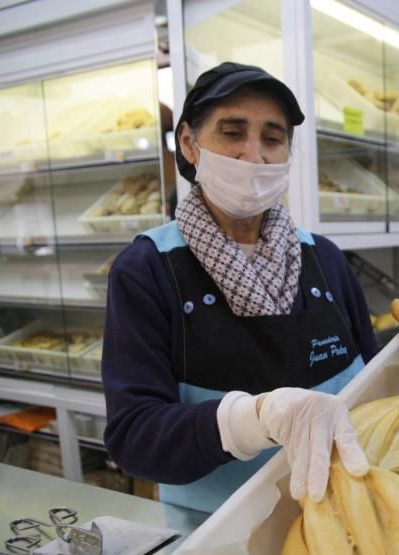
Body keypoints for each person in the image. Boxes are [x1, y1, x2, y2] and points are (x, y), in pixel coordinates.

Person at [102, 63, 378, 514]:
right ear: (189, 144)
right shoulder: (148, 270)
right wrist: (249, 422)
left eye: (272, 138)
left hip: (342, 517)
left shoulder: (325, 260)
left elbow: (373, 390)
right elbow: (134, 437)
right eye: (233, 133)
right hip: (213, 540)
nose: (255, 156)